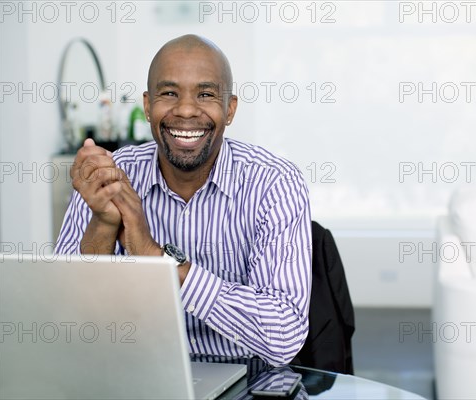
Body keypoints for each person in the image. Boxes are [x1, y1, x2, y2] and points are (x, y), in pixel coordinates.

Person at [55, 34, 312, 367]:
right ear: (148, 106)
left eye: (205, 94)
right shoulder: (110, 177)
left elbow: (283, 337)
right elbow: (65, 323)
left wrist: (156, 257)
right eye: (169, 93)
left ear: (229, 109)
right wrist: (103, 223)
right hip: (132, 375)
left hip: (243, 378)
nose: (186, 110)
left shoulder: (274, 183)